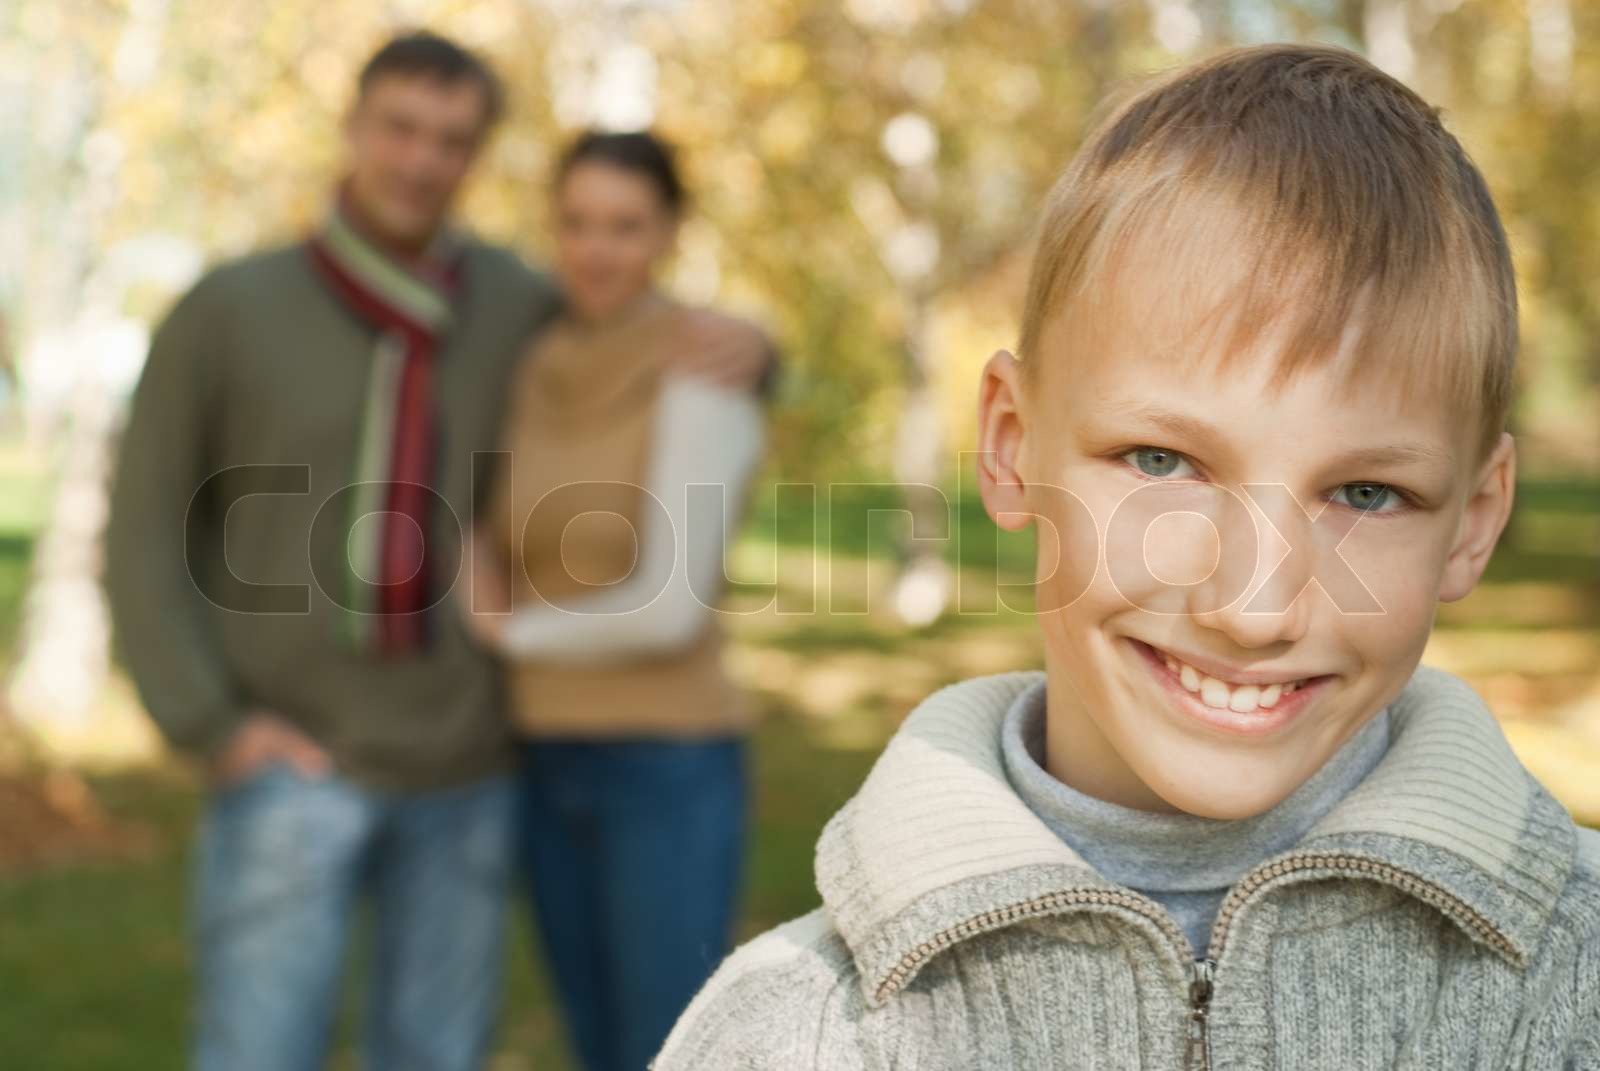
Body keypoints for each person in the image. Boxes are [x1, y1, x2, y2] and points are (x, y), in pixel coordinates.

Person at [655, 44, 1600, 1070]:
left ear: (1472, 519)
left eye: (1363, 493)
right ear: (1012, 445)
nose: (1252, 605)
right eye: (1164, 461)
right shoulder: (788, 1035)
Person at [102, 33, 764, 1071]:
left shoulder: (510, 301)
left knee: (435, 1053)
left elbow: (637, 331)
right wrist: (209, 723)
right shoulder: (230, 308)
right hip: (292, 764)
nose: (420, 160)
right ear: (355, 128)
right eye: (400, 128)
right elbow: (141, 530)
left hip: (467, 769)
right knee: (257, 1051)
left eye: (452, 141)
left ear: (476, 158)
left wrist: (761, 352)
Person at [461, 130, 771, 1071]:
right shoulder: (531, 363)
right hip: (543, 757)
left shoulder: (706, 368)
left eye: (627, 226)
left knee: (667, 1048)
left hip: (664, 761)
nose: (599, 249)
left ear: (670, 232)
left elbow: (668, 603)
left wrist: (509, 634)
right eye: (578, 223)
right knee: (596, 1044)